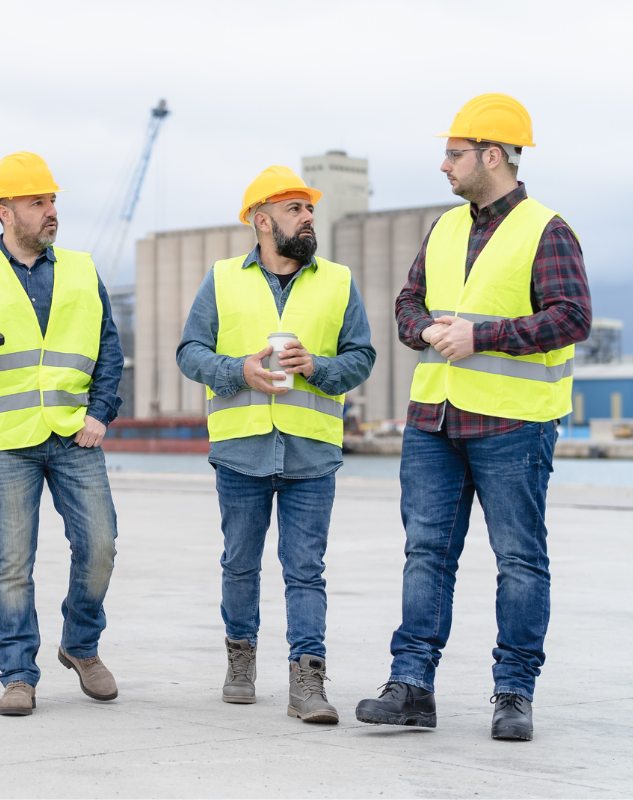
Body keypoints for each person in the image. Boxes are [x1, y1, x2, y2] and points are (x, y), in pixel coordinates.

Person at [355, 95, 591, 740]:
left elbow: (572, 317)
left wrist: (481, 335)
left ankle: (514, 693)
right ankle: (412, 686)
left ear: (492, 156)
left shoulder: (547, 229)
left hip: (513, 425)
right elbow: (407, 301)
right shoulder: (444, 227)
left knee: (519, 560)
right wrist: (425, 329)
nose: (444, 165)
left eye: (454, 153)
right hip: (433, 419)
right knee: (425, 554)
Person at [177, 166, 376, 723]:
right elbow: (190, 351)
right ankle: (240, 661)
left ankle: (307, 681)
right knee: (240, 564)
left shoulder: (338, 280)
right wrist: (237, 370)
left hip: (311, 452)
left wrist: (318, 367)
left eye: (309, 209)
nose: (308, 217)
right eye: (295, 209)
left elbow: (362, 357)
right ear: (262, 221)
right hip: (241, 449)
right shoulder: (222, 279)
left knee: (305, 569)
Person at [0, 152, 124, 716]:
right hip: (8, 440)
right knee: (12, 563)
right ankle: (18, 675)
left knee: (100, 548)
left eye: (53, 200)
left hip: (74, 435)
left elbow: (109, 347)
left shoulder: (82, 269)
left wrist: (101, 412)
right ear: (5, 211)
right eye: (38, 202)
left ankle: (80, 645)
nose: (50, 211)